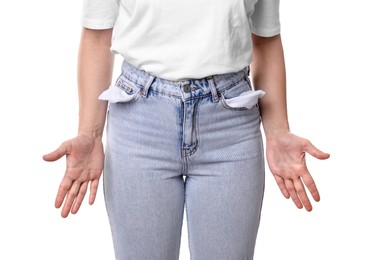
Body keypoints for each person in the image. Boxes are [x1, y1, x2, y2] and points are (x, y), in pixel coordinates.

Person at [43, 0, 330, 259]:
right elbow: (97, 34)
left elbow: (265, 39)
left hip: (229, 125)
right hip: (140, 122)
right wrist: (90, 134)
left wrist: (278, 131)